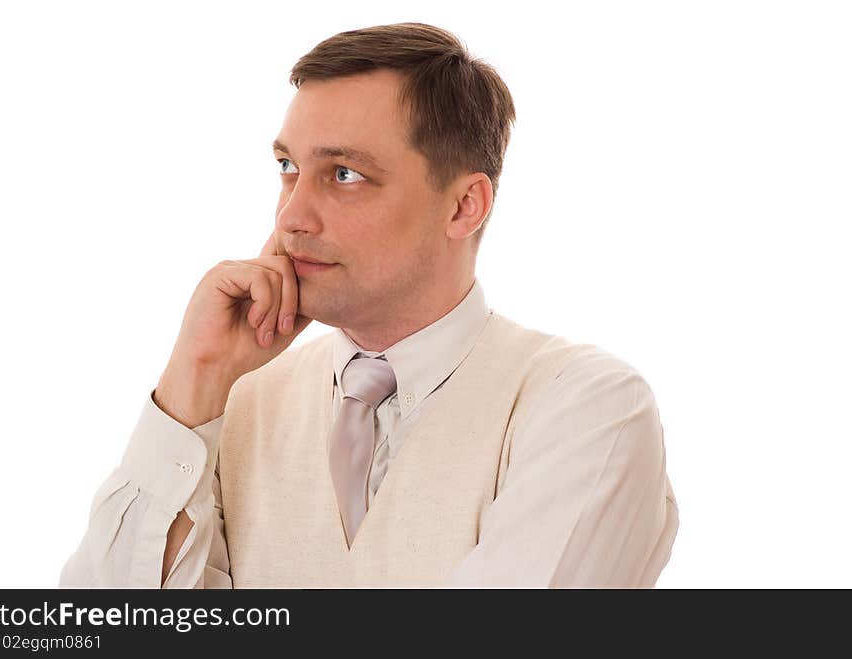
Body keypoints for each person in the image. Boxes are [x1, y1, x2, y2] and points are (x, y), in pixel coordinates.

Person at [60, 22, 678, 588]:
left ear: (464, 205)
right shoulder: (235, 404)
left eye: (345, 174)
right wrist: (195, 380)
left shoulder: (587, 409)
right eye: (288, 168)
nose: (291, 216)